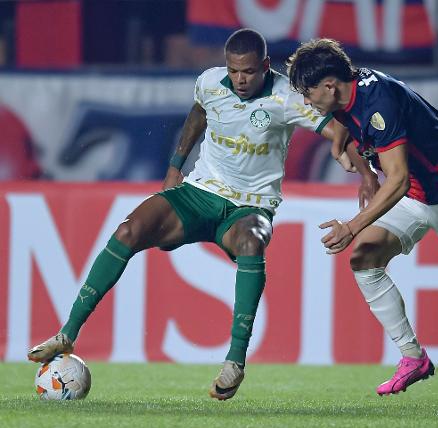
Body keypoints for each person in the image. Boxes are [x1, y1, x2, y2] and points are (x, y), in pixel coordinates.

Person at [27, 29, 376, 400]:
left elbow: (339, 129)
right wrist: (177, 165)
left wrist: (367, 174)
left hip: (251, 204)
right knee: (129, 230)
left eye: (249, 72)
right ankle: (68, 332)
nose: (240, 79)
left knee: (252, 240)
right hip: (200, 192)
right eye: (234, 70)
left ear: (266, 67)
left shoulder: (287, 96)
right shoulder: (210, 82)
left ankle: (235, 362)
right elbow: (199, 112)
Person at [287, 38, 438, 396]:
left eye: (308, 91)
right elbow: (347, 120)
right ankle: (413, 357)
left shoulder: (380, 103)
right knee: (364, 257)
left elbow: (398, 178)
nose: (306, 100)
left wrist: (351, 226)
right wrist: (340, 146)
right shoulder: (351, 89)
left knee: (358, 239)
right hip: (419, 195)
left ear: (330, 85)